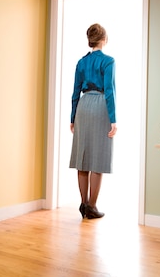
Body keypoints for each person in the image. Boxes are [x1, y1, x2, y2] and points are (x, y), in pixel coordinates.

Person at [69, 23, 117, 219]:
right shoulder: (108, 61)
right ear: (104, 40)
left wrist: (73, 118)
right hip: (99, 106)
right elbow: (110, 91)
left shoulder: (81, 62)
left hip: (83, 105)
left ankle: (82, 204)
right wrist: (113, 120)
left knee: (83, 157)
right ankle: (92, 206)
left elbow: (74, 92)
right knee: (98, 158)